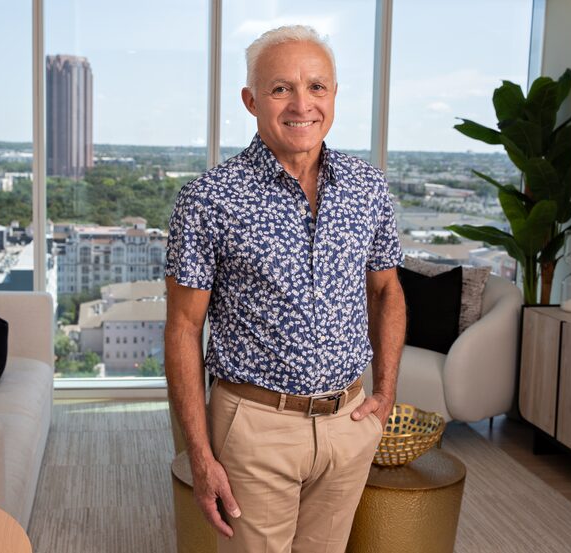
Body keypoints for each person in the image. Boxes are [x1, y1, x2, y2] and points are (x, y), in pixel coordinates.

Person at [164, 24, 406, 553]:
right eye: (281, 89)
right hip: (254, 428)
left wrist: (385, 393)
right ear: (251, 100)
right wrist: (199, 454)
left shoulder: (368, 187)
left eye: (317, 86)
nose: (302, 104)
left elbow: (386, 290)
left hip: (349, 422)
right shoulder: (208, 199)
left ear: (335, 96)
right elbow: (183, 328)